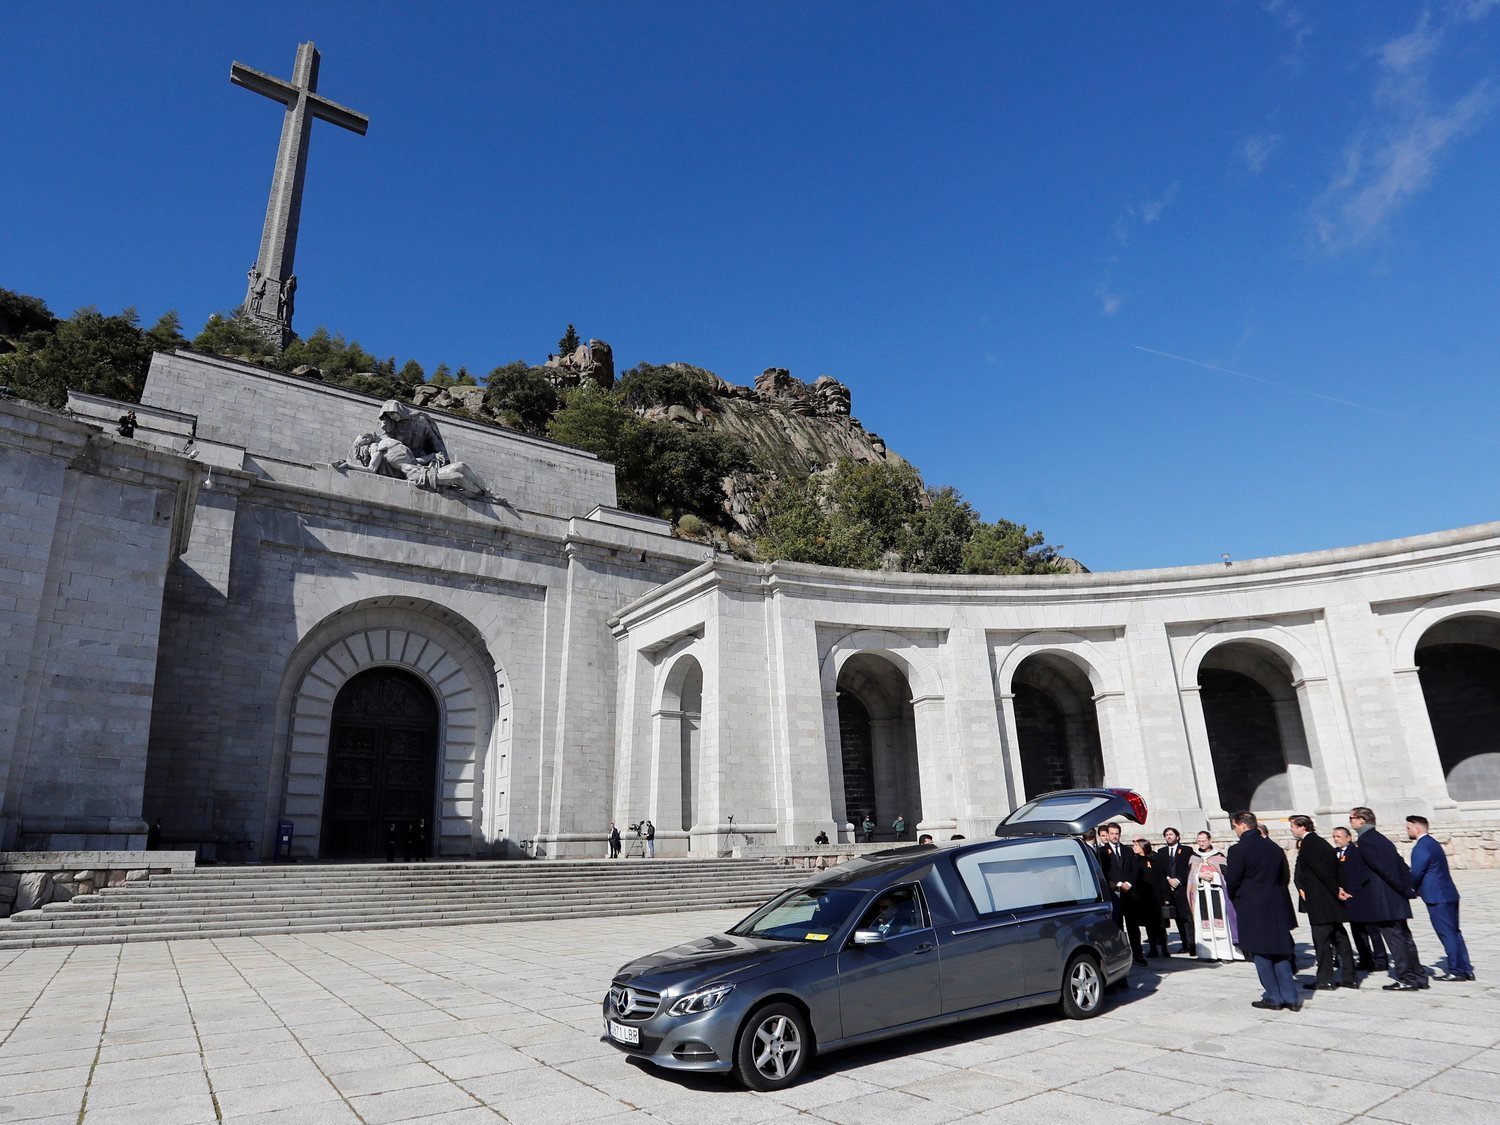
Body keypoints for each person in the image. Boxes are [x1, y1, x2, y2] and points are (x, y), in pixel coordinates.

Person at [1224, 811, 1301, 1011]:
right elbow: (1285, 876)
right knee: (1280, 952)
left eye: (1235, 826)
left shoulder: (1239, 850)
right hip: (1276, 905)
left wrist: (1237, 898)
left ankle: (1274, 996)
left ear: (1242, 825)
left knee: (1261, 953)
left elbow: (1232, 880)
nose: (1235, 830)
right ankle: (1290, 996)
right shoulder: (1273, 847)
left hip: (1253, 906)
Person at [1343, 806, 1425, 991]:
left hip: (1384, 899)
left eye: (1351, 818)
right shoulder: (1381, 839)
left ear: (1361, 820)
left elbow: (1383, 869)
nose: (1350, 822)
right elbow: (1400, 864)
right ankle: (1419, 976)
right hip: (1394, 897)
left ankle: (1406, 978)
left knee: (1396, 940)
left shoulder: (1365, 841)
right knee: (1405, 938)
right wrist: (1408, 887)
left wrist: (1404, 888)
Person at [1289, 814, 1356, 990]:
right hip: (1330, 900)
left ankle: (1325, 979)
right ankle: (1350, 977)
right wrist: (1339, 889)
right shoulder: (1320, 842)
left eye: (1293, 826)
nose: (1292, 830)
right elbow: (1335, 867)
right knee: (1340, 937)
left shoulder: (1309, 844)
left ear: (1302, 827)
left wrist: (1336, 890)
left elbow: (1321, 871)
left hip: (1321, 901)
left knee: (1322, 940)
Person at [1407, 815, 1474, 982]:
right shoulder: (1433, 843)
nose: (1406, 830)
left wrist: (1410, 888)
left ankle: (1456, 971)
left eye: (1408, 827)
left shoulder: (1421, 846)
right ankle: (1465, 968)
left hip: (1437, 897)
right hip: (1448, 894)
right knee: (1455, 933)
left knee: (1447, 934)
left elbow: (1416, 872)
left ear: (1418, 828)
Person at [1333, 825, 1389, 972]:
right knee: (1357, 931)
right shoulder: (1335, 854)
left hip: (1362, 897)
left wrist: (1352, 890)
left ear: (1348, 838)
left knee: (1372, 930)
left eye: (1339, 836)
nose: (1336, 839)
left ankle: (1381, 959)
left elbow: (1363, 874)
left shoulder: (1356, 852)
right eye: (1334, 837)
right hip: (1347, 899)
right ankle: (1365, 959)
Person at [1190, 830, 1242, 961]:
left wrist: (1214, 876)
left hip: (1217, 893)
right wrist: (1199, 876)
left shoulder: (1219, 856)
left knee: (1222, 923)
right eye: (1199, 841)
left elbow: (1227, 876)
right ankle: (1208, 954)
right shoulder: (1194, 857)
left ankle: (1225, 954)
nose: (1201, 843)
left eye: (1204, 840)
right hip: (1201, 893)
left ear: (1210, 840)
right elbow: (1190, 878)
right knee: (1204, 924)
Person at [1100, 823, 1145, 965]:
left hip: (1129, 894)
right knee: (1117, 927)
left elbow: (1135, 869)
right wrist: (1118, 885)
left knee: (1133, 927)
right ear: (1107, 834)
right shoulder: (1101, 852)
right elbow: (1103, 874)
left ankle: (1138, 955)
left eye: (1116, 833)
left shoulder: (1127, 850)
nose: (1114, 836)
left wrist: (1129, 884)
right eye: (1112, 833)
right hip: (1114, 894)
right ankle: (1120, 957)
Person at [1159, 827, 1196, 956]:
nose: (1169, 836)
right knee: (1177, 918)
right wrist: (1169, 879)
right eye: (1166, 834)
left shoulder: (1186, 850)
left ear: (1177, 836)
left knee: (1187, 918)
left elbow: (1190, 868)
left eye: (1171, 834)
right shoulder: (1161, 852)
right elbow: (1161, 870)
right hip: (1170, 890)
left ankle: (1192, 945)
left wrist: (1179, 880)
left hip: (1183, 887)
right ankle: (1184, 944)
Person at [1130, 838, 1170, 958]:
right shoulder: (1135, 861)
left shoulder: (1155, 860)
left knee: (1160, 924)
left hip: (1157, 897)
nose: (1134, 848)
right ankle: (1153, 948)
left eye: (1136, 846)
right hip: (1143, 897)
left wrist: (1166, 897)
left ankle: (1164, 948)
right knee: (1149, 924)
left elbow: (1162, 879)